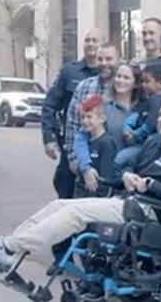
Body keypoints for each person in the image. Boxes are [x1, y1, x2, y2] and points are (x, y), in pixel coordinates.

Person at [0, 96, 161, 294]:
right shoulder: (153, 143)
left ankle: (8, 247)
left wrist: (150, 185)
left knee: (75, 212)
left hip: (153, 214)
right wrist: (128, 175)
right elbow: (131, 168)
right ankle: (8, 250)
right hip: (130, 202)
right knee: (60, 204)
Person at [42, 29, 105, 198]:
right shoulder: (69, 72)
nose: (90, 44)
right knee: (66, 190)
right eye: (87, 40)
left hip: (101, 145)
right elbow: (50, 105)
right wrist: (49, 137)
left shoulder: (108, 73)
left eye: (95, 40)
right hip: (72, 144)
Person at [75, 64, 140, 197]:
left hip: (129, 174)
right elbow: (81, 137)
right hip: (101, 173)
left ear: (135, 84)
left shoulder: (141, 110)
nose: (121, 80)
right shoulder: (103, 108)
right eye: (118, 76)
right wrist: (85, 167)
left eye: (126, 77)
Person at [67, 44, 121, 188]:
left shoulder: (124, 86)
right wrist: (73, 157)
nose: (104, 63)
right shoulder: (84, 86)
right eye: (100, 59)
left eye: (109, 59)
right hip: (88, 159)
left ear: (118, 60)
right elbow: (73, 123)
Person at [116, 61, 161, 170]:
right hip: (138, 142)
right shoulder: (145, 101)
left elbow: (151, 124)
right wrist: (127, 128)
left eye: (147, 82)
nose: (143, 85)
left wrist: (135, 135)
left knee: (119, 160)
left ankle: (116, 184)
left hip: (149, 145)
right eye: (142, 81)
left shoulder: (159, 102)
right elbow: (134, 116)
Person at [76, 95, 124, 197]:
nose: (85, 121)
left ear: (102, 118)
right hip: (80, 194)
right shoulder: (84, 142)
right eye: (82, 117)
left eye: (89, 117)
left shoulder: (107, 143)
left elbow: (106, 180)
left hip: (94, 199)